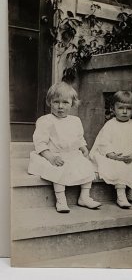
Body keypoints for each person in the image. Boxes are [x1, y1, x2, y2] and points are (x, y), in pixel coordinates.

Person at [28, 82, 101, 213]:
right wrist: (51, 157)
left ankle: (84, 197)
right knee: (58, 169)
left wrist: (83, 147)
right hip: (52, 154)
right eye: (56, 102)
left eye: (65, 102)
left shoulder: (75, 121)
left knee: (86, 166)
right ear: (50, 102)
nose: (60, 106)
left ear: (72, 103)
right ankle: (61, 199)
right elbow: (40, 143)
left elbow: (79, 137)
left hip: (72, 154)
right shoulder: (45, 121)